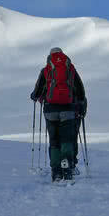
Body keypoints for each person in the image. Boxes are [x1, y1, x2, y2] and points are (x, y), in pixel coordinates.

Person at [30, 47, 87, 181]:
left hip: (50, 111)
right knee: (67, 138)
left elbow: (37, 90)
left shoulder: (46, 70)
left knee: (54, 139)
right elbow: (80, 89)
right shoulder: (70, 69)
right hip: (68, 110)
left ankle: (56, 170)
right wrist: (80, 103)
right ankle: (67, 165)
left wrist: (34, 96)